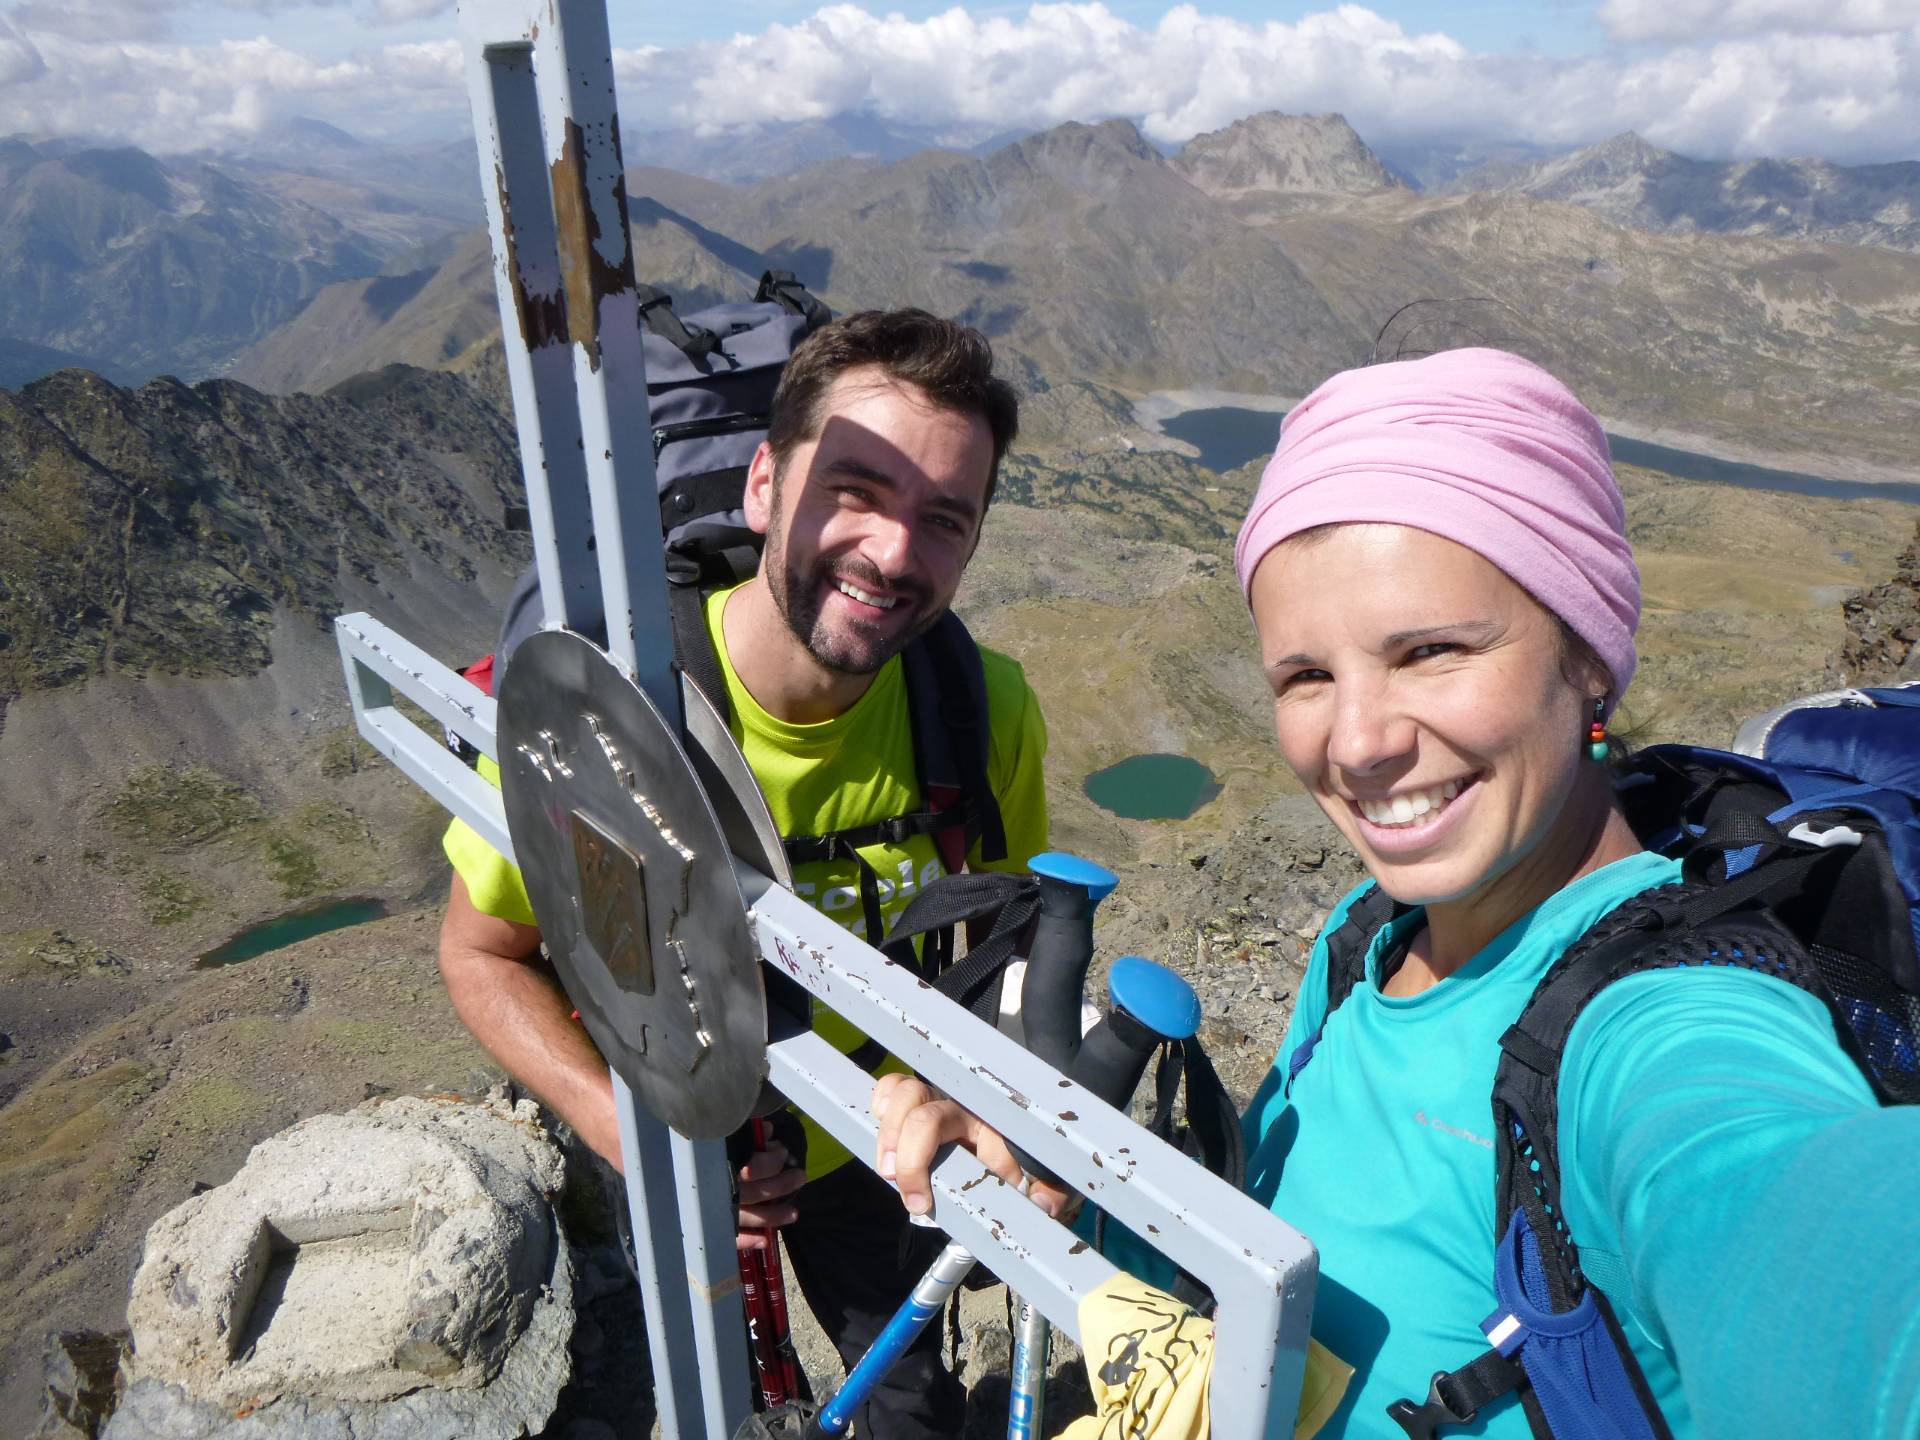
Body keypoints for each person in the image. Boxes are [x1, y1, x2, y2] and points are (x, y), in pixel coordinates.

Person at [873, 348, 1920, 1438]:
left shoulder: (1663, 1032)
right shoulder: (1367, 937)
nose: (1359, 742)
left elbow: (1799, 1228)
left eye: (1430, 651)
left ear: (1588, 657)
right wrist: (1062, 1172)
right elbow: (1265, 1281)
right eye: (1307, 676)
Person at [440, 308, 1050, 1438]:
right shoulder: (603, 710)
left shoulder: (980, 708)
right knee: (704, 1398)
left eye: (943, 519)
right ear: (764, 483)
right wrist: (640, 1144)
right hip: (672, 1136)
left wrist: (965, 1097)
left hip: (881, 1141)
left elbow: (1008, 942)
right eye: (856, 491)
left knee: (907, 1406)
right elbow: (481, 954)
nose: (893, 554)